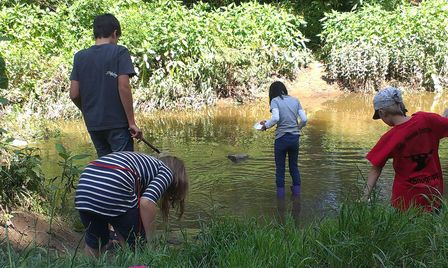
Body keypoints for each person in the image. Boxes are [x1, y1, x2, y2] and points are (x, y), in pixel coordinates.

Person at [75, 151, 188, 257]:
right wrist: (150, 241)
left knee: (95, 243)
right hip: (114, 182)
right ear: (177, 178)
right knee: (136, 244)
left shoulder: (144, 164)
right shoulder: (167, 171)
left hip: (85, 188)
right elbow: (146, 202)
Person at [364, 87, 448, 212]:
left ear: (382, 113)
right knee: (431, 230)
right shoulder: (427, 120)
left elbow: (376, 168)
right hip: (433, 196)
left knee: (405, 231)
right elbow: (443, 123)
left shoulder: (390, 137)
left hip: (405, 203)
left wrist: (365, 197)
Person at [69, 13, 142, 157]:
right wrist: (132, 123)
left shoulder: (79, 56)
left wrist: (87, 111)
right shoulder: (120, 52)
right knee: (124, 169)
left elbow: (74, 94)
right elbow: (123, 87)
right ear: (115, 33)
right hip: (118, 124)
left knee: (106, 169)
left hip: (94, 125)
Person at [260, 81, 308, 198]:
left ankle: (280, 200)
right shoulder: (295, 100)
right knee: (294, 168)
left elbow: (276, 118)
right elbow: (304, 119)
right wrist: (297, 129)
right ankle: (296, 196)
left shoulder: (275, 101)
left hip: (281, 139)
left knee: (280, 170)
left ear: (272, 92)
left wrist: (265, 126)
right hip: (294, 139)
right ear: (284, 89)